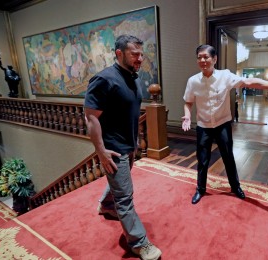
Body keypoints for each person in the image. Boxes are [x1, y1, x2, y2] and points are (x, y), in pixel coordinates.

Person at [182, 44, 268, 205]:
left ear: (214, 59)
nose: (202, 60)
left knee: (228, 157)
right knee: (202, 160)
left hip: (222, 124)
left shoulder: (225, 76)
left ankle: (235, 187)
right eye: (199, 57)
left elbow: (249, 81)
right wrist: (188, 116)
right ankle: (200, 189)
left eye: (206, 57)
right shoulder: (193, 81)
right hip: (203, 126)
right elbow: (188, 102)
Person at [84, 34, 161, 260]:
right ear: (119, 54)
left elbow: (131, 112)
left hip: (128, 145)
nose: (140, 58)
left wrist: (134, 142)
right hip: (113, 148)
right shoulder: (104, 79)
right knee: (125, 196)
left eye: (141, 54)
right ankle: (139, 243)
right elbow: (91, 118)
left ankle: (106, 205)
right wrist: (101, 151)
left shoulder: (133, 77)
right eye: (134, 54)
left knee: (120, 183)